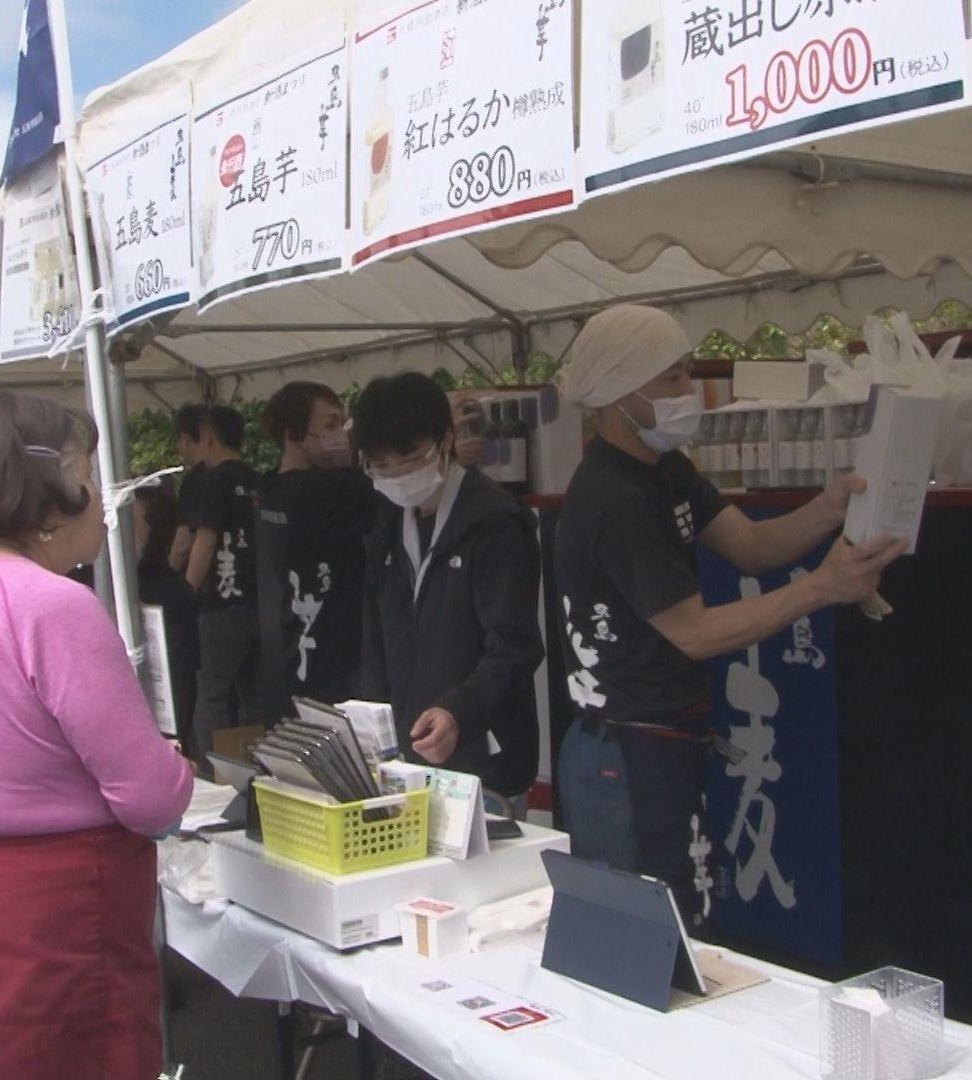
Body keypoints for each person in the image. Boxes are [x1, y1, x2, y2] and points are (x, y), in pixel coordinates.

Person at [553, 305, 905, 928]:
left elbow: (751, 546)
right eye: (671, 379)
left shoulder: (665, 471)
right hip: (624, 753)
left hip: (664, 739)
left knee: (682, 919)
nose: (688, 393)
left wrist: (831, 508)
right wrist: (823, 588)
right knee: (648, 936)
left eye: (686, 374)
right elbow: (694, 631)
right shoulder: (614, 499)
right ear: (616, 392)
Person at [0, 391, 193, 1078]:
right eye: (86, 474)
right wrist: (178, 770)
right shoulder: (53, 606)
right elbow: (149, 796)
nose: (99, 496)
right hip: (49, 921)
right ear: (50, 497)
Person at [354, 372, 545, 801]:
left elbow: (514, 645)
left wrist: (461, 711)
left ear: (445, 440)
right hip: (407, 759)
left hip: (485, 759)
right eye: (380, 465)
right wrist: (373, 725)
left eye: (409, 457)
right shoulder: (387, 524)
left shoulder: (495, 522)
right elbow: (376, 640)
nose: (397, 474)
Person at [257, 381, 384, 711]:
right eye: (329, 425)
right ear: (292, 435)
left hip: (299, 647)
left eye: (342, 424)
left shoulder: (272, 490)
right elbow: (379, 493)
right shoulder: (317, 493)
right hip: (337, 660)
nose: (340, 434)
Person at [179, 404, 269, 761]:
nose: (183, 450)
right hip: (262, 604)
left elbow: (202, 540)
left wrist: (186, 591)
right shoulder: (259, 479)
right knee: (255, 697)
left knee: (211, 695)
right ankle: (254, 768)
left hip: (220, 605)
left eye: (186, 440)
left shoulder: (211, 480)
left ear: (207, 436)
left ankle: (213, 770)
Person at [132, 484, 201, 731]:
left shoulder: (174, 592)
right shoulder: (103, 582)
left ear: (153, 531)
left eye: (132, 523)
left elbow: (182, 681)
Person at [167, 403, 210, 574]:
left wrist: (172, 571)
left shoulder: (195, 480)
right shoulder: (241, 474)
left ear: (184, 439)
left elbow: (184, 543)